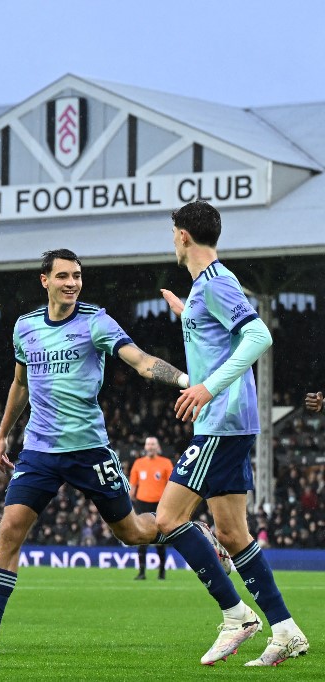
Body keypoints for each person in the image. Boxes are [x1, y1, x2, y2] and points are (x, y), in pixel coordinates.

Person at [0, 248, 226, 656]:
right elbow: (20, 385)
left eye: (77, 276)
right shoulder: (25, 327)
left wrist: (187, 379)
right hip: (39, 451)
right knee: (10, 529)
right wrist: (2, 434)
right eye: (63, 276)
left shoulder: (96, 321)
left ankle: (193, 531)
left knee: (132, 533)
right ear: (45, 280)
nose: (72, 283)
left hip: (89, 449)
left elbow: (142, 362)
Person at [156, 200, 308, 667]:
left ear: (182, 235)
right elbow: (220, 340)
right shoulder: (205, 287)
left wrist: (207, 387)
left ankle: (236, 616)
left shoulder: (218, 283)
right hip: (228, 423)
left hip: (221, 423)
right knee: (232, 532)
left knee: (166, 519)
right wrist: (188, 317)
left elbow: (259, 336)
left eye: (173, 232)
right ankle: (285, 630)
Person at [128, 436, 173, 580]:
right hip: (142, 503)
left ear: (157, 447)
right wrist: (131, 500)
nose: (151, 446)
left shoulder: (165, 463)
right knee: (142, 538)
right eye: (148, 444)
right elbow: (133, 486)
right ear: (145, 447)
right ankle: (141, 572)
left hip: (160, 504)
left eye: (153, 444)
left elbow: (171, 485)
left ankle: (162, 572)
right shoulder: (138, 463)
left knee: (160, 539)